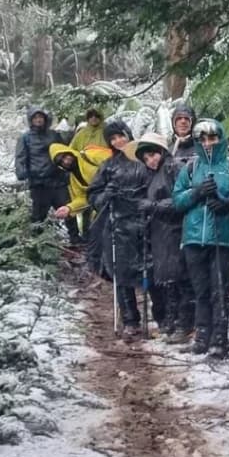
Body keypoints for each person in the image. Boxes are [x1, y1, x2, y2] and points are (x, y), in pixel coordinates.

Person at [172, 119, 229, 358]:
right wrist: (196, 193)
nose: (207, 143)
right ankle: (202, 336)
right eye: (202, 139)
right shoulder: (191, 169)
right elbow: (177, 200)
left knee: (220, 289)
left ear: (221, 138)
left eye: (212, 138)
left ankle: (220, 339)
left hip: (223, 238)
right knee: (201, 290)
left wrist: (226, 202)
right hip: (194, 238)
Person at [86, 118, 151, 337]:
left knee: (153, 271)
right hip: (119, 226)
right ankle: (130, 320)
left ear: (129, 134)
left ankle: (163, 316)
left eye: (120, 135)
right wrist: (107, 194)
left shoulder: (146, 158)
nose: (118, 141)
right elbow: (93, 195)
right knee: (121, 274)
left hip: (147, 222)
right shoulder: (108, 166)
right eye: (112, 139)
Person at [129, 133, 194, 340]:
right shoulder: (151, 175)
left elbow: (183, 198)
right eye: (146, 159)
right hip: (160, 233)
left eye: (152, 155)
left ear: (161, 151)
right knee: (168, 280)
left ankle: (184, 324)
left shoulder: (173, 168)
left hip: (176, 230)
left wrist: (155, 206)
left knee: (181, 279)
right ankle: (172, 321)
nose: (150, 161)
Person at [14, 107, 64, 222]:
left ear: (45, 119)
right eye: (35, 117)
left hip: (57, 180)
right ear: (31, 120)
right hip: (38, 183)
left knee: (66, 210)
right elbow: (20, 157)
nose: (38, 120)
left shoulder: (54, 135)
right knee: (39, 214)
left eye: (41, 117)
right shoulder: (25, 138)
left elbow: (64, 152)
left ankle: (76, 237)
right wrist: (21, 173)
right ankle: (37, 238)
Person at [46, 144, 86, 246]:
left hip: (61, 182)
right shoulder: (26, 139)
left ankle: (75, 237)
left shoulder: (88, 158)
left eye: (65, 157)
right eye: (61, 161)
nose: (66, 161)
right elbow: (85, 198)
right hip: (40, 185)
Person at [167, 104, 198, 170]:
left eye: (187, 118)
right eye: (179, 118)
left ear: (192, 123)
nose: (183, 121)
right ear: (173, 123)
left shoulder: (203, 148)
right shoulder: (168, 151)